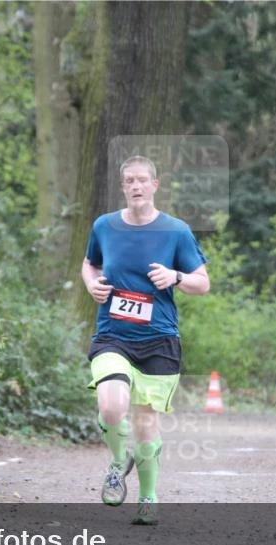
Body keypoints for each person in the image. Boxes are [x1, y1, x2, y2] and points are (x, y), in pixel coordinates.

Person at [81, 155, 210, 525]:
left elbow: (203, 282)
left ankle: (149, 496)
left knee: (144, 422)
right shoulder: (104, 226)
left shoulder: (176, 231)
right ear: (123, 187)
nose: (136, 186)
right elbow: (90, 263)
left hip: (158, 340)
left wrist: (175, 277)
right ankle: (118, 460)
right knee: (110, 406)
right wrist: (92, 284)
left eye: (142, 180)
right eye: (129, 181)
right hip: (113, 336)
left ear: (155, 185)